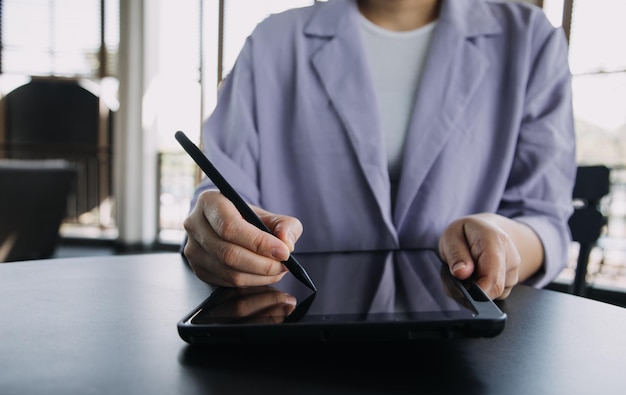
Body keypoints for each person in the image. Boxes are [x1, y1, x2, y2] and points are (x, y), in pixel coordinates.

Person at [182, 0, 576, 300]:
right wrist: (216, 226)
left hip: (472, 349)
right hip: (294, 332)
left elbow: (543, 220)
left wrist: (498, 237)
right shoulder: (271, 42)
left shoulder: (530, 40)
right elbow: (224, 194)